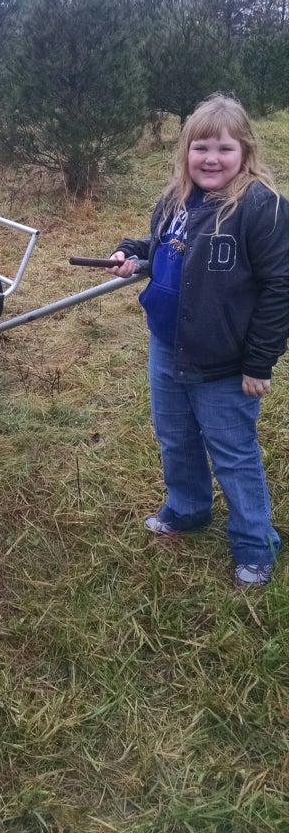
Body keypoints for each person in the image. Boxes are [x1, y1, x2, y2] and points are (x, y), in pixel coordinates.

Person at [109, 93, 289, 587]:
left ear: (245, 153)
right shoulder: (174, 199)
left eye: (224, 149)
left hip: (225, 362)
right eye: (201, 147)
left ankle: (256, 544)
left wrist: (259, 362)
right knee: (176, 437)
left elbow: (280, 287)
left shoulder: (261, 208)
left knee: (232, 451)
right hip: (167, 345)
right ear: (185, 151)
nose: (211, 159)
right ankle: (187, 509)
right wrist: (131, 251)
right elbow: (162, 247)